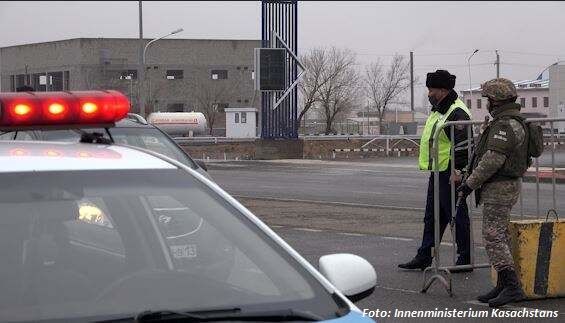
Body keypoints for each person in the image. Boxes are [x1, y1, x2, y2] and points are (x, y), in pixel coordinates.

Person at [457, 78, 526, 307]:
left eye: (488, 99)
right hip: (503, 186)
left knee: (493, 236)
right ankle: (503, 285)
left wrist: (469, 184)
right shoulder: (510, 121)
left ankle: (512, 286)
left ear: (496, 100)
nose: (486, 103)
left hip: (499, 187)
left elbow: (492, 161)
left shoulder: (505, 125)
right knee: (500, 235)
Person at [398, 70, 472, 272]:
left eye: (431, 89)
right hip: (438, 170)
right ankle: (425, 255)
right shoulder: (439, 109)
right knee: (432, 216)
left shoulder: (457, 112)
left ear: (442, 90)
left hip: (451, 172)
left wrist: (458, 173)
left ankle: (466, 258)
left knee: (456, 215)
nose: (428, 93)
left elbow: (464, 147)